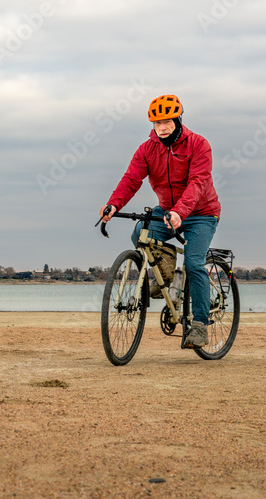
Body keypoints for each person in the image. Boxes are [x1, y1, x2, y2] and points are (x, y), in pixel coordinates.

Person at [98, 94, 221, 349]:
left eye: (166, 122)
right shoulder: (147, 149)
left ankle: (199, 324)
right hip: (167, 211)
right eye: (156, 123)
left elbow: (198, 183)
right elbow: (131, 179)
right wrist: (114, 204)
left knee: (195, 263)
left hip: (201, 213)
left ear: (177, 119)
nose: (161, 128)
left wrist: (180, 211)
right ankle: (163, 278)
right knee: (139, 233)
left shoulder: (199, 144)